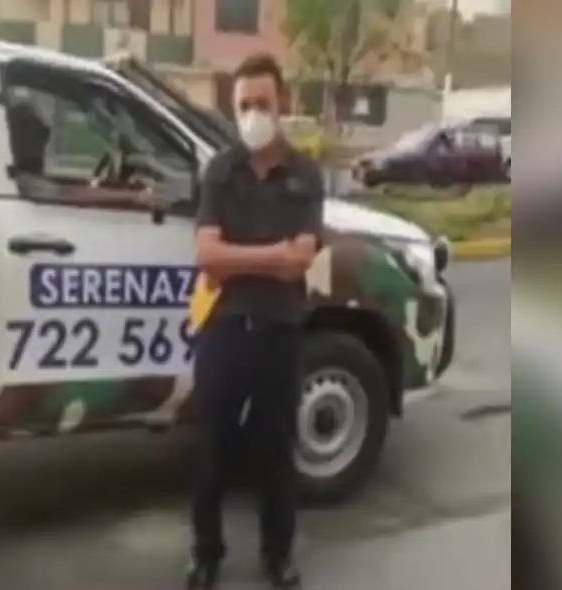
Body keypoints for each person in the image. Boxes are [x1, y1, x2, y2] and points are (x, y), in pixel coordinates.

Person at [186, 53, 324, 590]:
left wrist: (236, 256)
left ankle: (277, 555)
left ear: (282, 104)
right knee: (211, 451)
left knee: (276, 452)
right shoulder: (220, 170)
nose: (252, 114)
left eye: (262, 104)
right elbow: (206, 255)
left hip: (280, 331)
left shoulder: (306, 175)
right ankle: (206, 554)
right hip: (222, 329)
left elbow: (304, 257)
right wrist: (273, 257)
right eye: (244, 105)